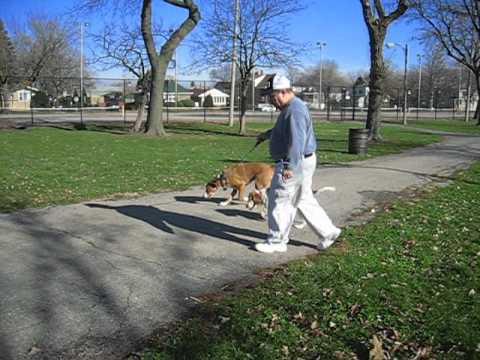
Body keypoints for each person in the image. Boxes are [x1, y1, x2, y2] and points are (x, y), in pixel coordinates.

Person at [254, 74, 341, 253]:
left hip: (292, 161)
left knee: (279, 200)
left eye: (273, 96)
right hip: (302, 160)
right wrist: (268, 134)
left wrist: (288, 167)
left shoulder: (294, 110)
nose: (271, 100)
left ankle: (277, 241)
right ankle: (328, 232)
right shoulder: (291, 108)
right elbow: (285, 131)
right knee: (303, 199)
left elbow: (296, 143)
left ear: (285, 91)